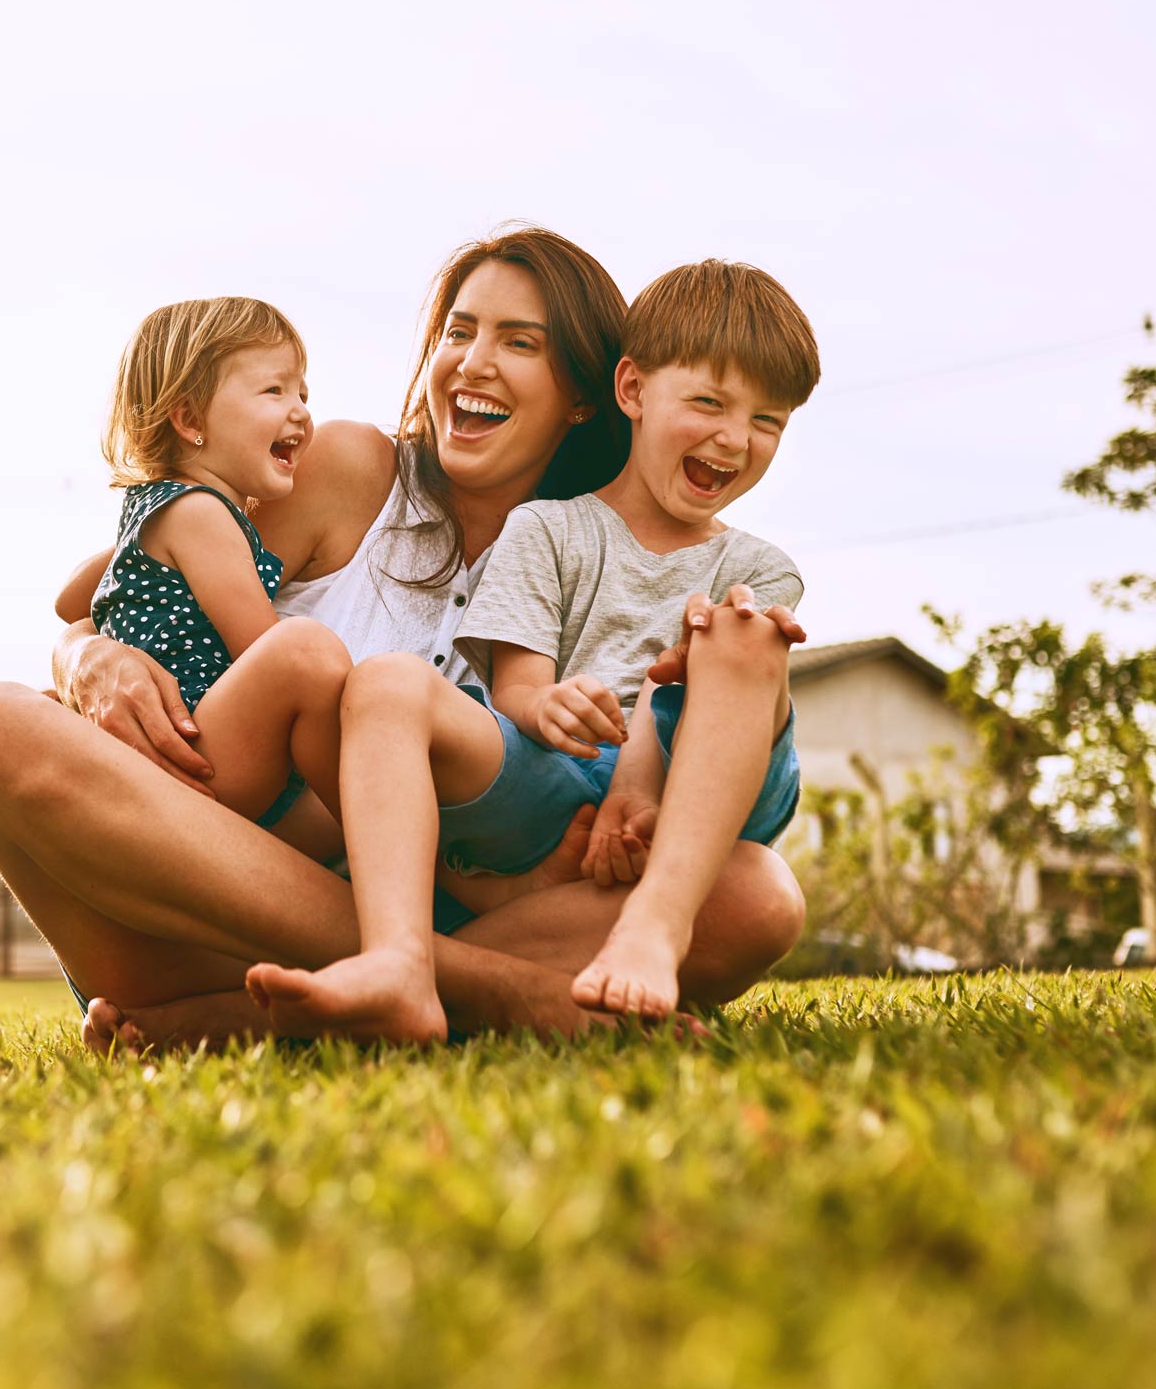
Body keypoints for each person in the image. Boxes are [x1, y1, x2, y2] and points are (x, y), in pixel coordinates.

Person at [0, 227, 810, 1051]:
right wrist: (90, 656)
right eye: (458, 331)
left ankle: (281, 1007)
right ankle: (483, 989)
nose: (472, 362)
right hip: (196, 906)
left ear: (586, 396)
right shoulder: (348, 470)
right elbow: (136, 574)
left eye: (518, 342)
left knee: (755, 895)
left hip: (462, 914)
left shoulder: (607, 559)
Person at [246, 260, 819, 1043]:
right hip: (562, 780)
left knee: (738, 636)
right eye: (710, 403)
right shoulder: (547, 528)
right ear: (632, 391)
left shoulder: (759, 567)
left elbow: (695, 694)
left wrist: (644, 784)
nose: (733, 438)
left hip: (701, 789)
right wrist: (544, 703)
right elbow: (515, 685)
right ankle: (398, 962)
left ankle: (654, 926)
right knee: (386, 683)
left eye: (767, 422)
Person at [87, 295, 349, 859]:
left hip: (186, 757)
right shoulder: (202, 514)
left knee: (368, 825)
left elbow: (72, 600)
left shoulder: (152, 508)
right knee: (305, 651)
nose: (301, 410)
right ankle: (378, 824)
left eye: (303, 392)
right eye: (274, 390)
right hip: (199, 751)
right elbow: (265, 649)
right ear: (189, 419)